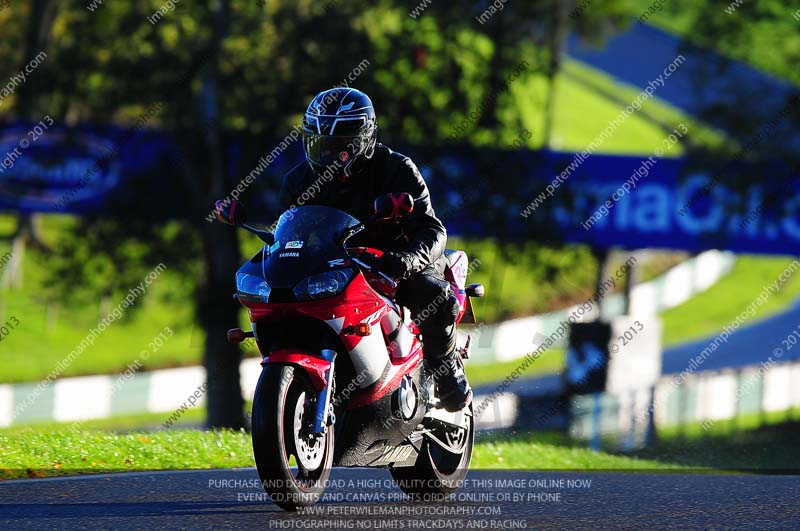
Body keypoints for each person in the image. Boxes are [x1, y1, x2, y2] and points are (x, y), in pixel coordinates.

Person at [220, 87, 471, 412]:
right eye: (320, 143)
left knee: (435, 297)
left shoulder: (397, 169)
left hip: (395, 260)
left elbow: (433, 228)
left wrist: (407, 260)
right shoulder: (298, 181)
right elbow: (289, 233)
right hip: (339, 265)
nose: (327, 153)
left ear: (363, 138)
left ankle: (446, 366)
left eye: (338, 145)